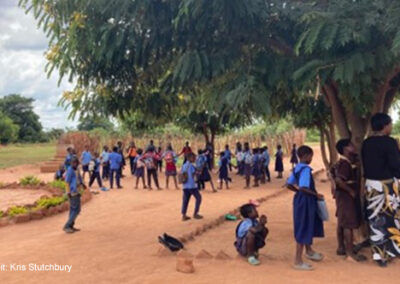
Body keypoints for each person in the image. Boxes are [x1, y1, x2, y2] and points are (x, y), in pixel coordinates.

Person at [361, 113, 400, 267]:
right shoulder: (390, 143)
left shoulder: (366, 143)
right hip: (387, 185)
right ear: (385, 126)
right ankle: (392, 251)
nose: (390, 127)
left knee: (375, 220)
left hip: (371, 186)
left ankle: (379, 255)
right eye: (390, 124)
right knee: (392, 218)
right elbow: (395, 165)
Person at [286, 145, 324, 271]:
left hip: (300, 200)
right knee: (303, 227)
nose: (311, 159)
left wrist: (296, 192)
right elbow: (303, 187)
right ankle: (298, 260)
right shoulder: (306, 170)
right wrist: (316, 195)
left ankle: (309, 250)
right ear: (306, 156)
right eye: (311, 156)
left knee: (306, 224)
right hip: (306, 201)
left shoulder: (297, 168)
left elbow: (289, 184)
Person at [332, 139, 366, 262]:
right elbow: (339, 181)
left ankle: (341, 247)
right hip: (346, 197)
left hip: (342, 197)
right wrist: (351, 191)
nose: (354, 147)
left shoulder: (342, 162)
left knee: (342, 221)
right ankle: (350, 253)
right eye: (351, 145)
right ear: (345, 149)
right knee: (348, 224)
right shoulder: (345, 164)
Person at [64, 157, 85, 234]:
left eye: (76, 163)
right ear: (71, 163)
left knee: (73, 210)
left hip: (77, 191)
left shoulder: (77, 170)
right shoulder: (70, 170)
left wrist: (82, 184)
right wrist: (68, 192)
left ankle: (71, 225)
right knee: (76, 210)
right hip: (72, 192)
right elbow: (67, 182)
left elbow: (79, 179)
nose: (75, 164)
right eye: (73, 163)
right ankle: (67, 225)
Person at [181, 152, 203, 221]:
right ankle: (195, 213)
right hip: (192, 185)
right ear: (190, 158)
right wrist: (199, 172)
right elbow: (194, 174)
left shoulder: (184, 165)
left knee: (185, 200)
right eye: (194, 157)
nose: (195, 159)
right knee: (198, 198)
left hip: (185, 186)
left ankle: (183, 215)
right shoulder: (191, 166)